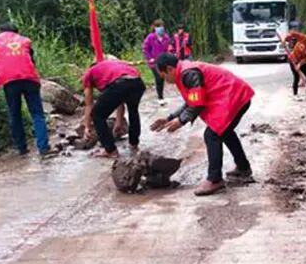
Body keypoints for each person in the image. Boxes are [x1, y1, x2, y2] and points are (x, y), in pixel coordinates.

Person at [150, 53, 254, 196]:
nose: (165, 81)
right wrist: (170, 117)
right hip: (235, 95)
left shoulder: (188, 73)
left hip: (234, 96)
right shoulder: (184, 71)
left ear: (169, 69)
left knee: (211, 135)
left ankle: (215, 179)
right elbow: (191, 100)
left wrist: (181, 121)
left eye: (164, 77)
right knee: (225, 132)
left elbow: (197, 103)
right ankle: (243, 168)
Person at [0, 23, 51, 157]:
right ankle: (43, 148)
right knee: (37, 114)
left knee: (15, 114)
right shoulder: (25, 40)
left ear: (0, 31)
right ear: (16, 32)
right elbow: (31, 61)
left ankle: (21, 148)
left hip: (10, 82)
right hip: (30, 79)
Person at [81, 55, 146, 158]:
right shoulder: (113, 65)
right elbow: (119, 101)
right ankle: (134, 143)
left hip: (121, 84)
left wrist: (87, 127)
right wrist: (118, 122)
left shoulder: (89, 73)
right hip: (138, 83)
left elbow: (89, 105)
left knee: (97, 115)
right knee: (133, 110)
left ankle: (110, 150)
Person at [279, 30, 306, 101]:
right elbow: (292, 33)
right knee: (297, 77)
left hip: (300, 61)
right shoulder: (305, 38)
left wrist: (299, 64)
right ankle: (295, 95)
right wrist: (284, 40)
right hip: (293, 59)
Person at [142, 19, 171, 105]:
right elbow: (145, 48)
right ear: (154, 27)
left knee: (162, 78)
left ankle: (161, 95)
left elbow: (168, 48)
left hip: (163, 61)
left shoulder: (166, 37)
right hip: (153, 62)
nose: (161, 28)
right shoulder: (151, 37)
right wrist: (149, 57)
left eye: (162, 26)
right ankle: (160, 97)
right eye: (158, 26)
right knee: (158, 77)